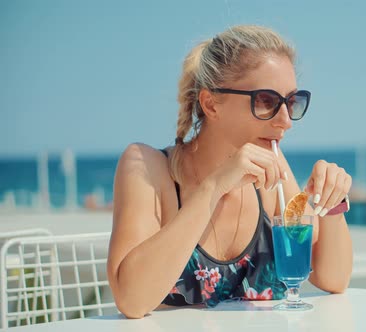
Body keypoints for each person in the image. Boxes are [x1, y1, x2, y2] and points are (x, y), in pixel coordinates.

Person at [107, 25, 353, 319]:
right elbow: (132, 301)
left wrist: (333, 200)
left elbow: (333, 278)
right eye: (266, 101)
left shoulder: (273, 172)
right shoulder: (147, 168)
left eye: (290, 102)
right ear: (211, 104)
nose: (286, 121)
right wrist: (214, 188)